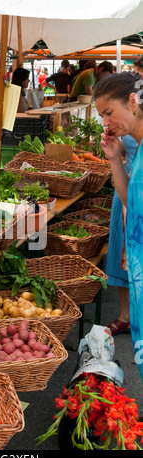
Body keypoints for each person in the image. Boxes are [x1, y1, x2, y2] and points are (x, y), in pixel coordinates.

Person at [93, 72, 143, 380]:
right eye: (101, 116)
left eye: (109, 113)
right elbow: (129, 200)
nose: (106, 124)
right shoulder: (136, 144)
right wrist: (114, 159)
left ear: (134, 101)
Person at [106, 135, 137, 335]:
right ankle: (125, 316)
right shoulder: (128, 115)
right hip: (125, 187)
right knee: (121, 254)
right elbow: (128, 150)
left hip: (139, 188)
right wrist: (115, 151)